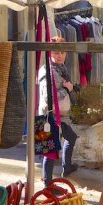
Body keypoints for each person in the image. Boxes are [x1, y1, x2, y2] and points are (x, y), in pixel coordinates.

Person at [39, 39, 79, 184]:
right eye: (56, 52)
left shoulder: (61, 68)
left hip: (61, 114)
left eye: (62, 52)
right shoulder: (48, 71)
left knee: (71, 138)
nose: (60, 55)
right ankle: (47, 184)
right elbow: (47, 96)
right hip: (48, 114)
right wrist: (67, 89)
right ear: (50, 53)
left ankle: (66, 167)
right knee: (49, 150)